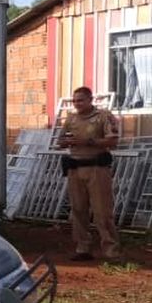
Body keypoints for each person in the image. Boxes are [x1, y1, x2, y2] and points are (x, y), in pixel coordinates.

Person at [58, 86, 120, 261]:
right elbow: (60, 140)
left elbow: (113, 141)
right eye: (75, 100)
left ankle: (110, 248)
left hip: (96, 168)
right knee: (78, 209)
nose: (77, 104)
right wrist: (66, 142)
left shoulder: (103, 117)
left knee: (102, 210)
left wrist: (89, 141)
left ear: (90, 100)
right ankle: (82, 246)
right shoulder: (71, 119)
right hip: (75, 167)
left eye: (81, 100)